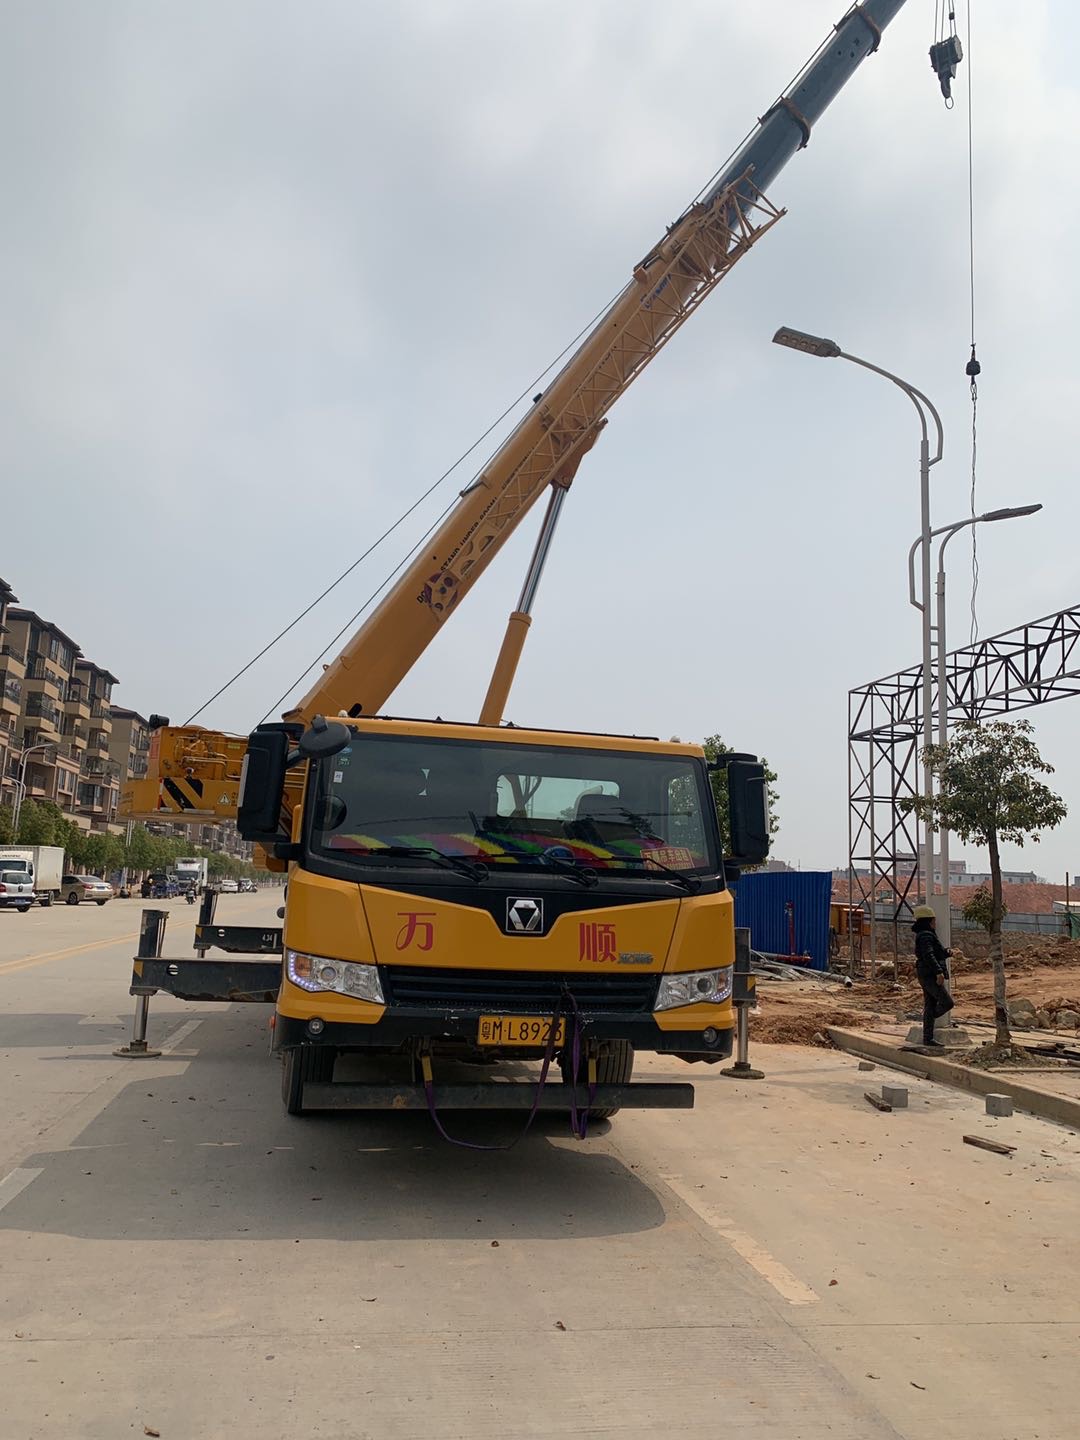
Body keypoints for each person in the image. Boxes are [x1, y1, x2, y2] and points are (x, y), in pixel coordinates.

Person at [912, 905, 954, 1046]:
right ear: (928, 921)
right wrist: (938, 972)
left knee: (930, 1004)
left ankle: (928, 1038)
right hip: (929, 974)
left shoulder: (925, 935)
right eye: (933, 921)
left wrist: (948, 953)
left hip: (925, 973)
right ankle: (928, 1020)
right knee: (947, 1002)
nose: (935, 923)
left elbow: (936, 953)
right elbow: (929, 955)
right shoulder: (926, 935)